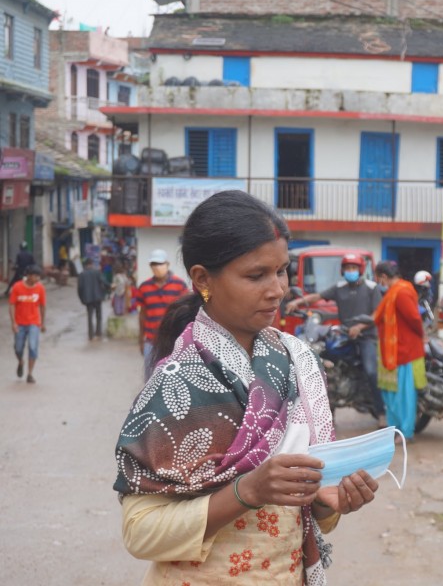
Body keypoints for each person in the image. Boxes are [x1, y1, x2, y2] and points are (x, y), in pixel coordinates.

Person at [113, 190, 379, 585]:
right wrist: (246, 491)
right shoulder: (177, 384)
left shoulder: (296, 364)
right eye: (256, 275)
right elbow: (140, 532)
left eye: (281, 270)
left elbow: (307, 510)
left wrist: (329, 503)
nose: (277, 290)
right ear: (203, 279)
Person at [284, 253, 385, 425]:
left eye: (353, 268)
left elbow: (377, 313)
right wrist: (298, 302)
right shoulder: (339, 287)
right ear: (343, 270)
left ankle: (381, 412)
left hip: (366, 336)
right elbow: (317, 297)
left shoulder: (371, 287)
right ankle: (329, 415)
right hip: (345, 335)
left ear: (360, 270)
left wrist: (359, 327)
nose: (350, 271)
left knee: (371, 371)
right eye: (347, 268)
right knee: (329, 368)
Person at [374, 261, 426, 441]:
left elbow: (414, 319)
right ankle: (396, 429)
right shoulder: (397, 290)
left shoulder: (401, 292)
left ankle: (405, 432)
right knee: (395, 394)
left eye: (378, 278)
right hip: (395, 351)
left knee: (403, 396)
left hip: (404, 351)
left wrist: (421, 335)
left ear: (383, 277)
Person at [136, 248, 188, 380]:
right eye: (154, 264)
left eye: (160, 264)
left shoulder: (179, 285)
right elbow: (142, 314)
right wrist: (140, 339)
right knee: (150, 378)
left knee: (172, 377)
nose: (157, 267)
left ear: (167, 264)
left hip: (173, 340)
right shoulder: (144, 287)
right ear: (150, 266)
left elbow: (186, 313)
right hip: (151, 340)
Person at [8, 264, 46, 384]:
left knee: (33, 347)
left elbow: (43, 306)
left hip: (34, 322)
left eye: (38, 276)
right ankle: (21, 361)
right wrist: (13, 322)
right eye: (35, 276)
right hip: (20, 323)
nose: (38, 279)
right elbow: (12, 305)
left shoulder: (40, 288)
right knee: (18, 348)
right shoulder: (17, 287)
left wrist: (43, 323)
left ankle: (30, 374)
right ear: (28, 276)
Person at [77, 258, 107, 341]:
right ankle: (98, 332)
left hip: (88, 299)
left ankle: (91, 335)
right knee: (99, 315)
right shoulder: (97, 272)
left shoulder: (82, 274)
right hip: (98, 297)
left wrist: (82, 299)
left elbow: (80, 288)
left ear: (85, 265)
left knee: (90, 316)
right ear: (92, 264)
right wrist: (107, 289)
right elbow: (103, 282)